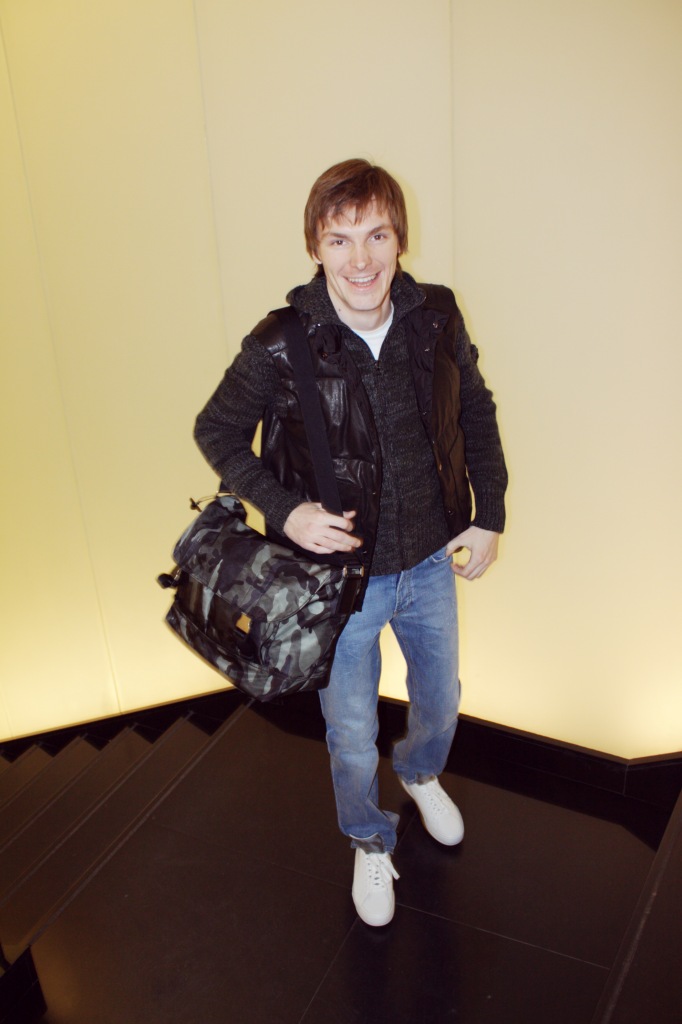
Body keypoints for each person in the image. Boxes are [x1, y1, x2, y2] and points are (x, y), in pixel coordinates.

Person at [194, 159, 507, 927]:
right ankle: (369, 838)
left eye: (376, 235)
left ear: (400, 239)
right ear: (316, 247)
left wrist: (489, 511)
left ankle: (422, 774)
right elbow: (217, 430)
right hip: (341, 583)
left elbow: (474, 408)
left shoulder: (436, 316)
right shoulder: (281, 343)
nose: (360, 259)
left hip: (429, 562)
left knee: (440, 699)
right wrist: (287, 511)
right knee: (354, 733)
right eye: (340, 239)